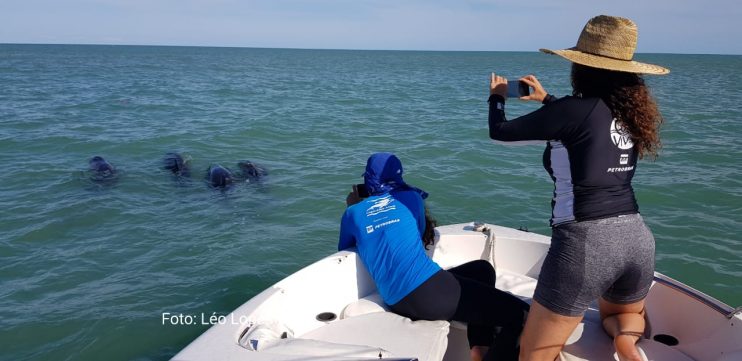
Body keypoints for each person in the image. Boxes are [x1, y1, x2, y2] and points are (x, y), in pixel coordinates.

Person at [485, 15, 668, 361]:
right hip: (637, 239)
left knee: (533, 353)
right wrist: (547, 100)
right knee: (620, 317)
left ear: (581, 67)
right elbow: (586, 127)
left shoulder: (571, 110)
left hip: (586, 245)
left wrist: (496, 98)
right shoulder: (629, 112)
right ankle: (627, 346)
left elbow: (501, 132)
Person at [339, 152, 529, 361]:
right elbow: (420, 236)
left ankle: (479, 351)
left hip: (397, 300)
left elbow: (345, 248)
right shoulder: (410, 198)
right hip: (429, 293)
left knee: (482, 270)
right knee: (520, 315)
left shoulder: (352, 213)